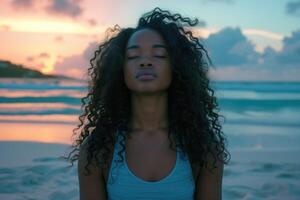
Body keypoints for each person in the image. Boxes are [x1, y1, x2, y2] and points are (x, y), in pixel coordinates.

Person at [65, 7, 231, 200]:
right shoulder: (98, 149)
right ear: (120, 69)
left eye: (159, 55)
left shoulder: (203, 147)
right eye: (133, 56)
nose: (145, 62)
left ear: (177, 67)